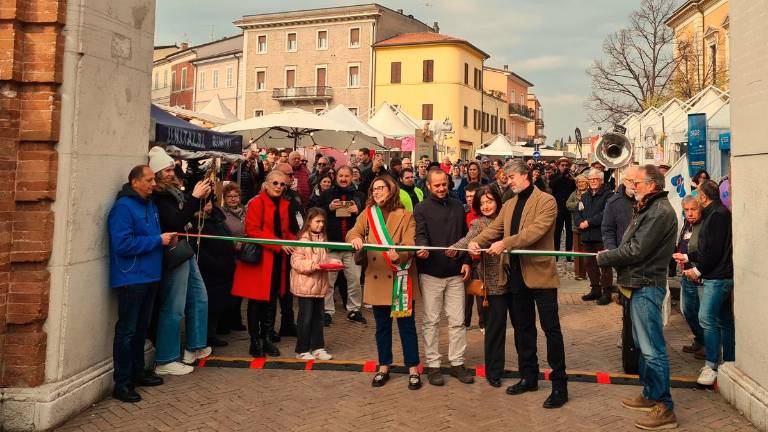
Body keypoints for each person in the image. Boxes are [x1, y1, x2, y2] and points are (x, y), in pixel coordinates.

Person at [468, 160, 568, 408]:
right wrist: (476, 242)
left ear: (525, 176)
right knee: (523, 329)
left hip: (541, 275)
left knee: (551, 330)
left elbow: (535, 232)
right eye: (506, 178)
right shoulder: (509, 203)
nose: (508, 181)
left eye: (511, 177)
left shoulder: (546, 201)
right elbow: (494, 229)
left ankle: (559, 386)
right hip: (516, 276)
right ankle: (529, 377)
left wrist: (506, 243)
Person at [596, 165, 678, 430]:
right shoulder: (650, 208)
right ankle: (651, 394)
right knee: (644, 348)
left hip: (646, 285)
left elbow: (636, 249)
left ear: (652, 185)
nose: (633, 186)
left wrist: (606, 257)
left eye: (638, 182)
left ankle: (665, 408)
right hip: (637, 283)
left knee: (653, 350)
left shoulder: (659, 212)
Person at [347, 175, 422, 389]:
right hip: (377, 276)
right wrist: (355, 238)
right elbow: (354, 231)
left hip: (400, 276)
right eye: (374, 189)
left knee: (407, 326)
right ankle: (384, 366)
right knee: (382, 327)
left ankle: (413, 368)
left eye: (382, 188)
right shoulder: (367, 214)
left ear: (392, 190)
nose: (377, 192)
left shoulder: (406, 215)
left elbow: (410, 243)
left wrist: (400, 255)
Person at [108, 165, 172, 402]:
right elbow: (123, 245)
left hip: (150, 275)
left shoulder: (151, 204)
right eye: (148, 180)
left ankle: (137, 373)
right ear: (134, 182)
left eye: (153, 179)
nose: (153, 183)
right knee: (127, 331)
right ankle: (122, 383)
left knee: (141, 329)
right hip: (132, 278)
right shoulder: (123, 208)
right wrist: (158, 240)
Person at [148, 147, 211, 376]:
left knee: (199, 296)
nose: (171, 172)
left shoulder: (172, 192)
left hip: (184, 248)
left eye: (171, 168)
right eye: (165, 169)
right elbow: (175, 221)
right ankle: (165, 358)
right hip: (174, 251)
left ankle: (195, 346)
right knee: (173, 305)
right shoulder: (160, 196)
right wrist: (194, 198)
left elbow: (182, 218)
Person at [414, 168, 474, 386]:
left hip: (456, 273)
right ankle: (433, 365)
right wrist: (421, 248)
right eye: (436, 185)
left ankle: (457, 363)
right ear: (428, 186)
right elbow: (420, 233)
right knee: (431, 321)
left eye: (444, 184)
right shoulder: (421, 208)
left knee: (458, 321)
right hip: (431, 272)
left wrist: (467, 261)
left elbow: (465, 237)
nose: (441, 188)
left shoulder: (458, 206)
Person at [231, 170, 297, 358]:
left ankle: (266, 337)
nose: (278, 187)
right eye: (275, 183)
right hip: (261, 260)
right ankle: (254, 341)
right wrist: (280, 244)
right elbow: (252, 230)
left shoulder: (285, 204)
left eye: (282, 184)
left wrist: (297, 242)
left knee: (272, 299)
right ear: (267, 184)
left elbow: (286, 232)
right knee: (256, 301)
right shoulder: (256, 202)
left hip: (277, 260)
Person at [449, 186, 505, 385]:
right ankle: (494, 371)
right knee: (494, 329)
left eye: (489, 201)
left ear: (497, 201)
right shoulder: (478, 223)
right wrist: (456, 248)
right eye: (482, 203)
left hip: (513, 280)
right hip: (492, 283)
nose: (486, 206)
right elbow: (468, 238)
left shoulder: (507, 218)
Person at [680, 180, 734, 386]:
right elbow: (707, 247)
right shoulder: (715, 214)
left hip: (717, 276)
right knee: (723, 320)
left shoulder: (717, 215)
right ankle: (729, 360)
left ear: (703, 197)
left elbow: (714, 249)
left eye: (697, 194)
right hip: (716, 274)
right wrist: (688, 257)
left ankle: (712, 365)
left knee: (707, 319)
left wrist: (698, 269)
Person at [317, 166, 367, 326]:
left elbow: (367, 218)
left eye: (347, 176)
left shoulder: (359, 196)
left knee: (354, 280)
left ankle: (353, 310)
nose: (344, 178)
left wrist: (357, 210)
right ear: (336, 177)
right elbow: (315, 214)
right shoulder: (326, 194)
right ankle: (327, 311)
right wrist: (328, 208)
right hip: (332, 244)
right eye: (341, 175)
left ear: (352, 177)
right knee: (329, 281)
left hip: (352, 246)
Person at [290, 207, 337, 360]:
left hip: (320, 285)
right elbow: (296, 262)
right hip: (305, 285)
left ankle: (318, 347)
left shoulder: (323, 239)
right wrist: (313, 265)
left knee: (319, 317)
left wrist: (333, 262)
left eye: (323, 221)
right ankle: (302, 349)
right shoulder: (303, 240)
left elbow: (324, 259)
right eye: (317, 221)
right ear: (309, 222)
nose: (321, 225)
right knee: (305, 318)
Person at [194, 199, 236, 348]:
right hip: (210, 269)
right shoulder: (197, 222)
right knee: (208, 305)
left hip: (223, 267)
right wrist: (216, 264)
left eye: (210, 202)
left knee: (217, 304)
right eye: (205, 203)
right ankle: (206, 337)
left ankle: (213, 333)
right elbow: (199, 248)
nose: (208, 206)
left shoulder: (218, 218)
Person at [672, 196, 705, 360]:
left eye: (694, 209)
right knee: (688, 310)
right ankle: (699, 340)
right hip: (685, 271)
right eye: (687, 210)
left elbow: (705, 250)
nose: (690, 213)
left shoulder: (704, 225)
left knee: (697, 311)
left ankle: (705, 343)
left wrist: (688, 259)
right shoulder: (687, 224)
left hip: (698, 273)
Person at [576, 169, 613, 305]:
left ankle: (607, 292)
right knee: (589, 264)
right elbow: (577, 210)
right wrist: (579, 222)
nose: (592, 182)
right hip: (587, 235)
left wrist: (589, 222)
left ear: (601, 181)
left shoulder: (608, 195)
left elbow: (606, 213)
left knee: (604, 264)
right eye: (590, 180)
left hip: (601, 235)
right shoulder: (585, 196)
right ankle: (595, 289)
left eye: (595, 179)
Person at [219, 183, 247, 334]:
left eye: (235, 196)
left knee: (240, 290)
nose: (233, 199)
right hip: (229, 255)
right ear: (224, 198)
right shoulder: (221, 214)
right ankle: (225, 322)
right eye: (229, 196)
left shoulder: (246, 211)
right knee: (228, 290)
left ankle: (236, 320)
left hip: (244, 255)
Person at [549, 158, 576, 256]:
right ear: (558, 166)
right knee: (557, 231)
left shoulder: (571, 177)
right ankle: (556, 253)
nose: (565, 167)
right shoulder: (554, 176)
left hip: (569, 209)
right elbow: (552, 184)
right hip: (558, 208)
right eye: (562, 165)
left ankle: (569, 254)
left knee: (570, 232)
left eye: (566, 165)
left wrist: (571, 177)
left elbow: (575, 188)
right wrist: (562, 176)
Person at [566, 174, 588, 280]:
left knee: (586, 251)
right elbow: (567, 204)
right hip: (576, 226)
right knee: (577, 251)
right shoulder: (574, 194)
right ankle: (578, 273)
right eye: (579, 182)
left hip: (588, 226)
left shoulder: (590, 193)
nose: (580, 184)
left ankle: (587, 272)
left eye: (583, 182)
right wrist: (578, 204)